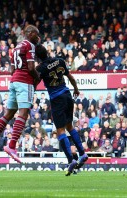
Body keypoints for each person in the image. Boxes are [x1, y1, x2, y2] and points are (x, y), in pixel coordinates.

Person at [0, 25, 41, 162]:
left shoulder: (16, 47)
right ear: (30, 33)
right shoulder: (30, 46)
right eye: (36, 35)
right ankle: (11, 146)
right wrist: (37, 78)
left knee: (8, 115)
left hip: (14, 81)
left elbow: (12, 69)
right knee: (23, 113)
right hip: (24, 81)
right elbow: (31, 67)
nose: (38, 38)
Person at [35, 44, 88, 176]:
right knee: (70, 126)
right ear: (47, 52)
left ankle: (71, 160)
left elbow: (35, 83)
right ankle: (82, 153)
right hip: (67, 94)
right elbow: (70, 77)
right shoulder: (59, 60)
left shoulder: (40, 68)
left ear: (37, 57)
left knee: (60, 131)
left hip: (56, 99)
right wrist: (76, 89)